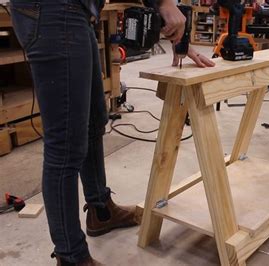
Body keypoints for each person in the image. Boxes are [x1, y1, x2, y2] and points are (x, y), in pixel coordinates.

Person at [9, 0, 215, 265]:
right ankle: (71, 256)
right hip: (53, 10)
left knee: (95, 121)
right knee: (65, 146)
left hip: (74, 12)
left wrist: (175, 29)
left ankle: (100, 211)